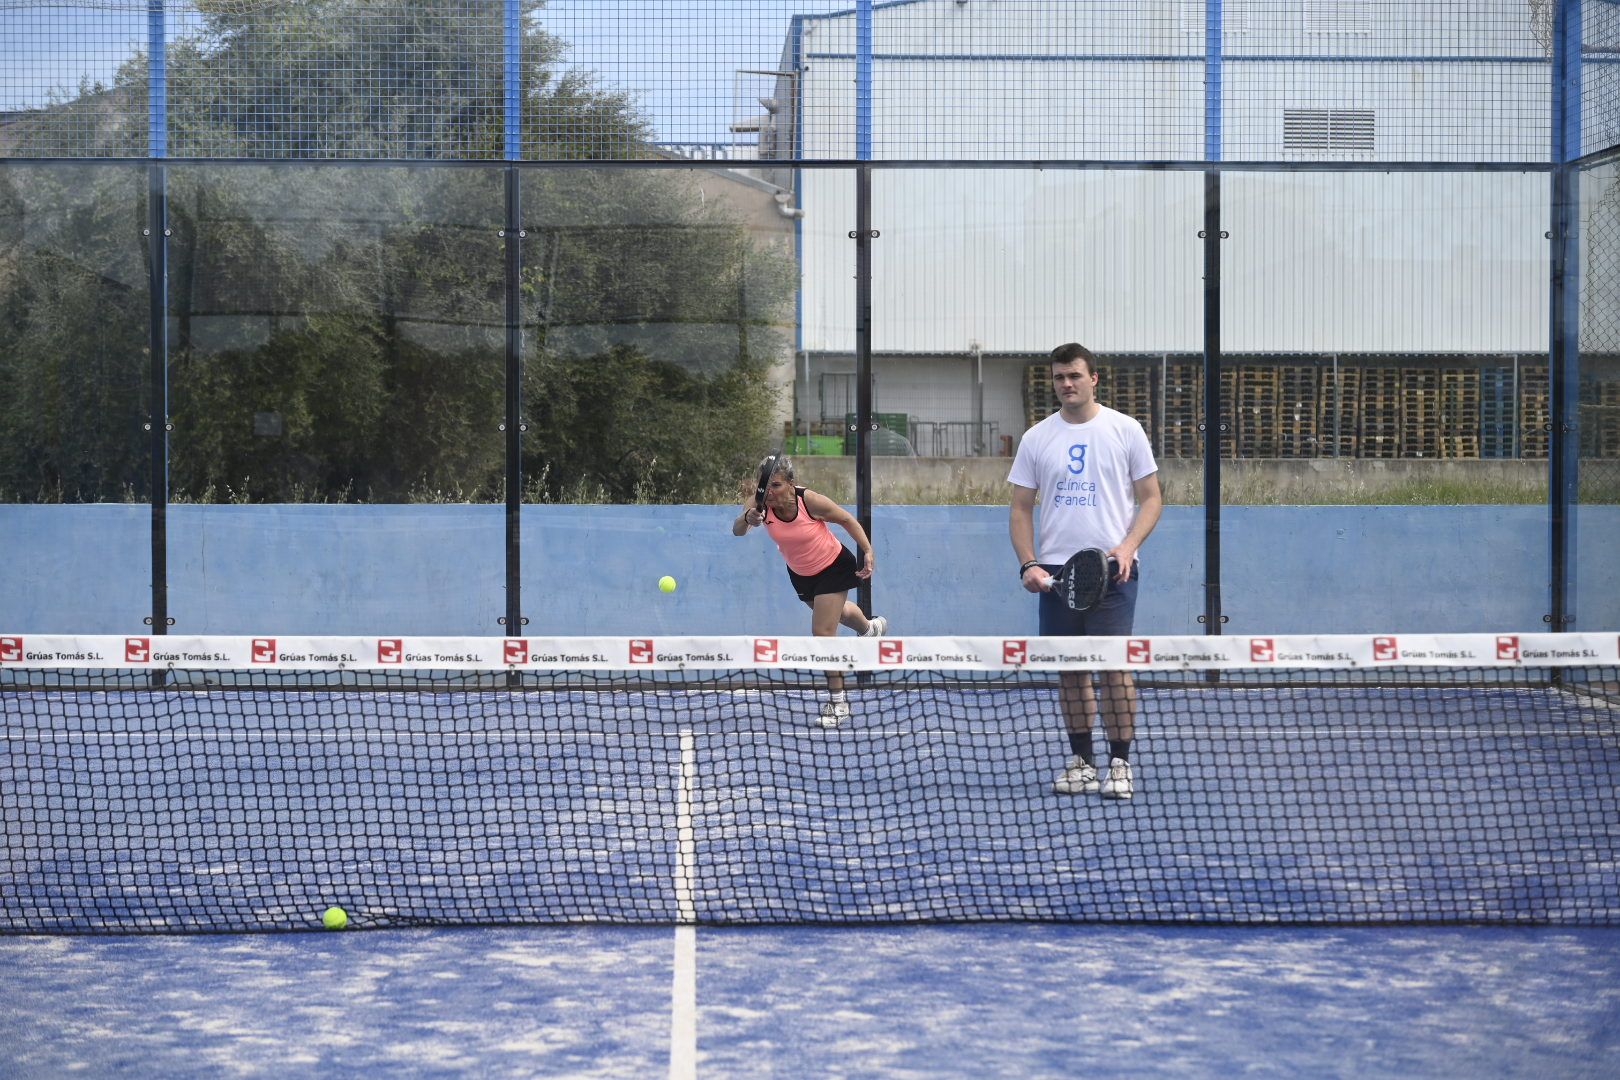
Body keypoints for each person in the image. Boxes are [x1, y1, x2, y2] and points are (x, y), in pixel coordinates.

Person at [1008, 343, 1162, 799]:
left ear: (1093, 378)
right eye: (1059, 377)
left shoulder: (1125, 429)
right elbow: (1020, 508)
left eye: (1074, 375)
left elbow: (1152, 498)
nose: (1066, 384)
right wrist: (1029, 563)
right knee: (1071, 671)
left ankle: (1120, 764)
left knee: (1114, 669)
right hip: (1057, 575)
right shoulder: (1037, 438)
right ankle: (1082, 762)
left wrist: (1128, 547)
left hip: (1114, 570)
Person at [733, 454, 887, 727]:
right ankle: (869, 628)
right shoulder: (759, 503)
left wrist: (867, 550)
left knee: (823, 633)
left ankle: (838, 703)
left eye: (777, 485)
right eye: (766, 486)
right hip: (802, 575)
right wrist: (747, 518)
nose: (770, 492)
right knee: (838, 614)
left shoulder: (809, 501)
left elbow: (846, 519)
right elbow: (737, 531)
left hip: (834, 567)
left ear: (791, 484)